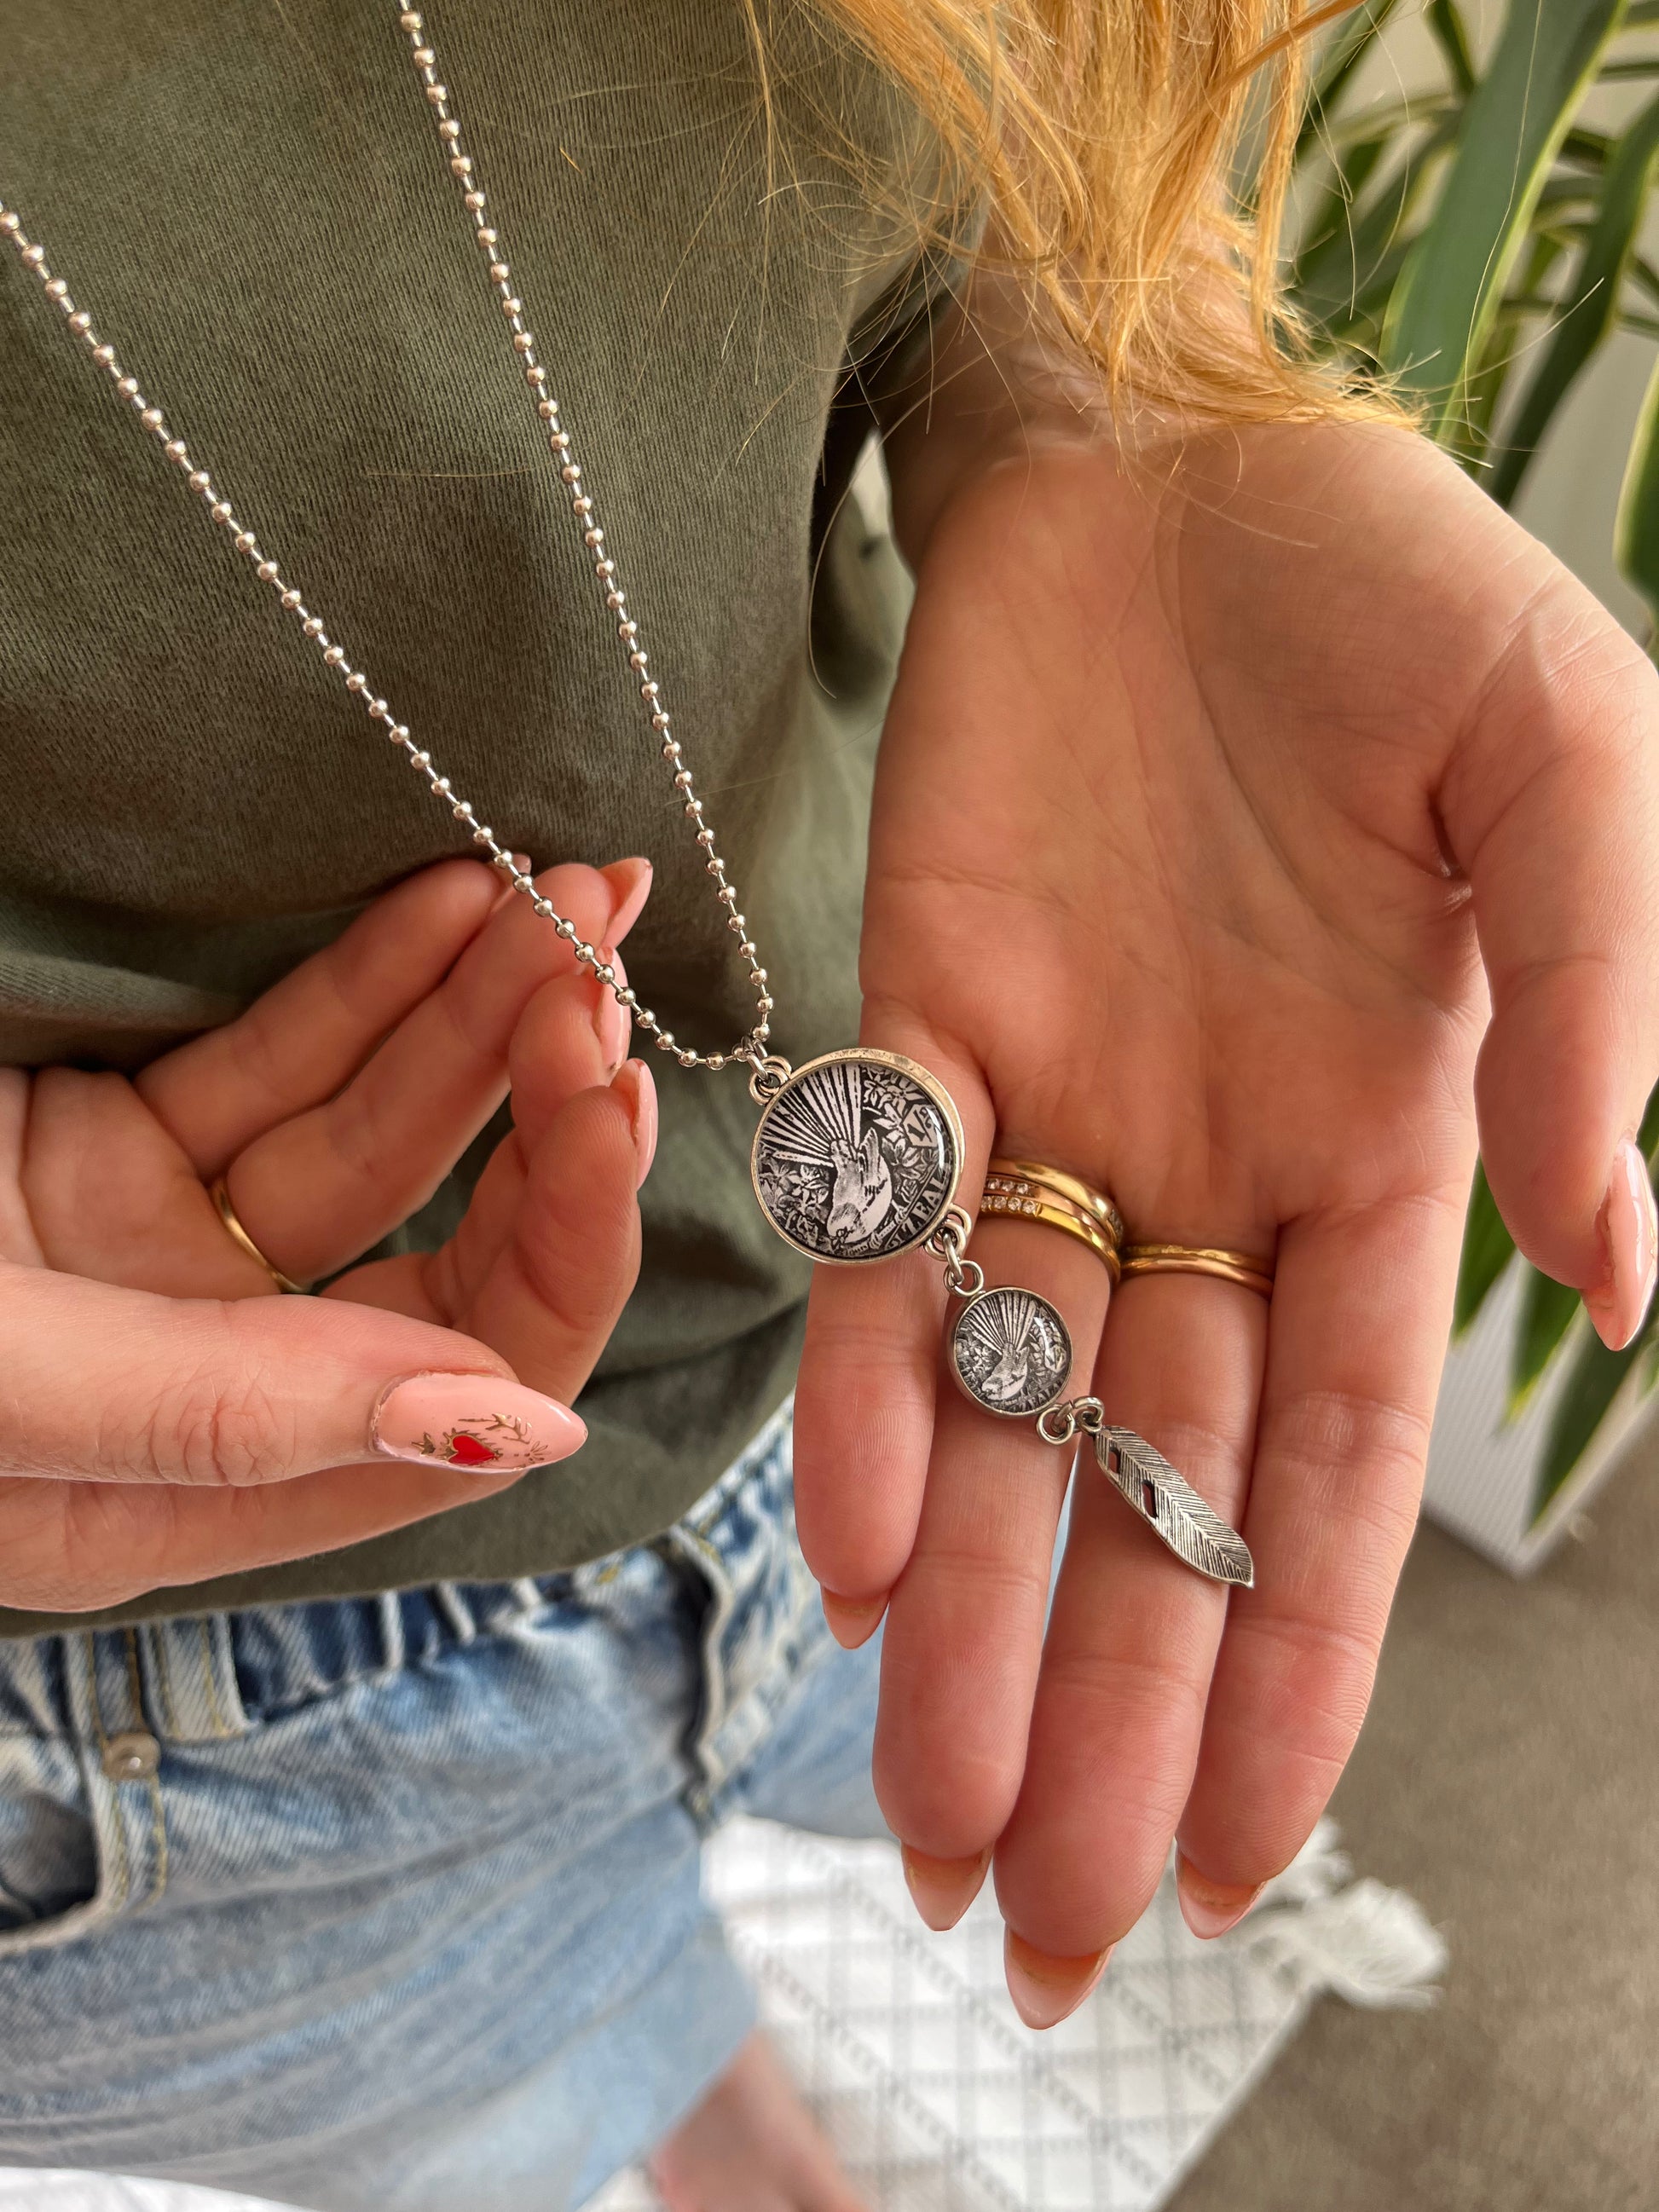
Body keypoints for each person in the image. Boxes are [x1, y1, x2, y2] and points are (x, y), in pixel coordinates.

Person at [1, 2, 1655, 2208]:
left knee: (890, 1833)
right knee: (513, 2105)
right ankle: (694, 2114)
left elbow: (1004, 106)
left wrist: (1112, 397)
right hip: (144, 1708)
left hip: (859, 1319)